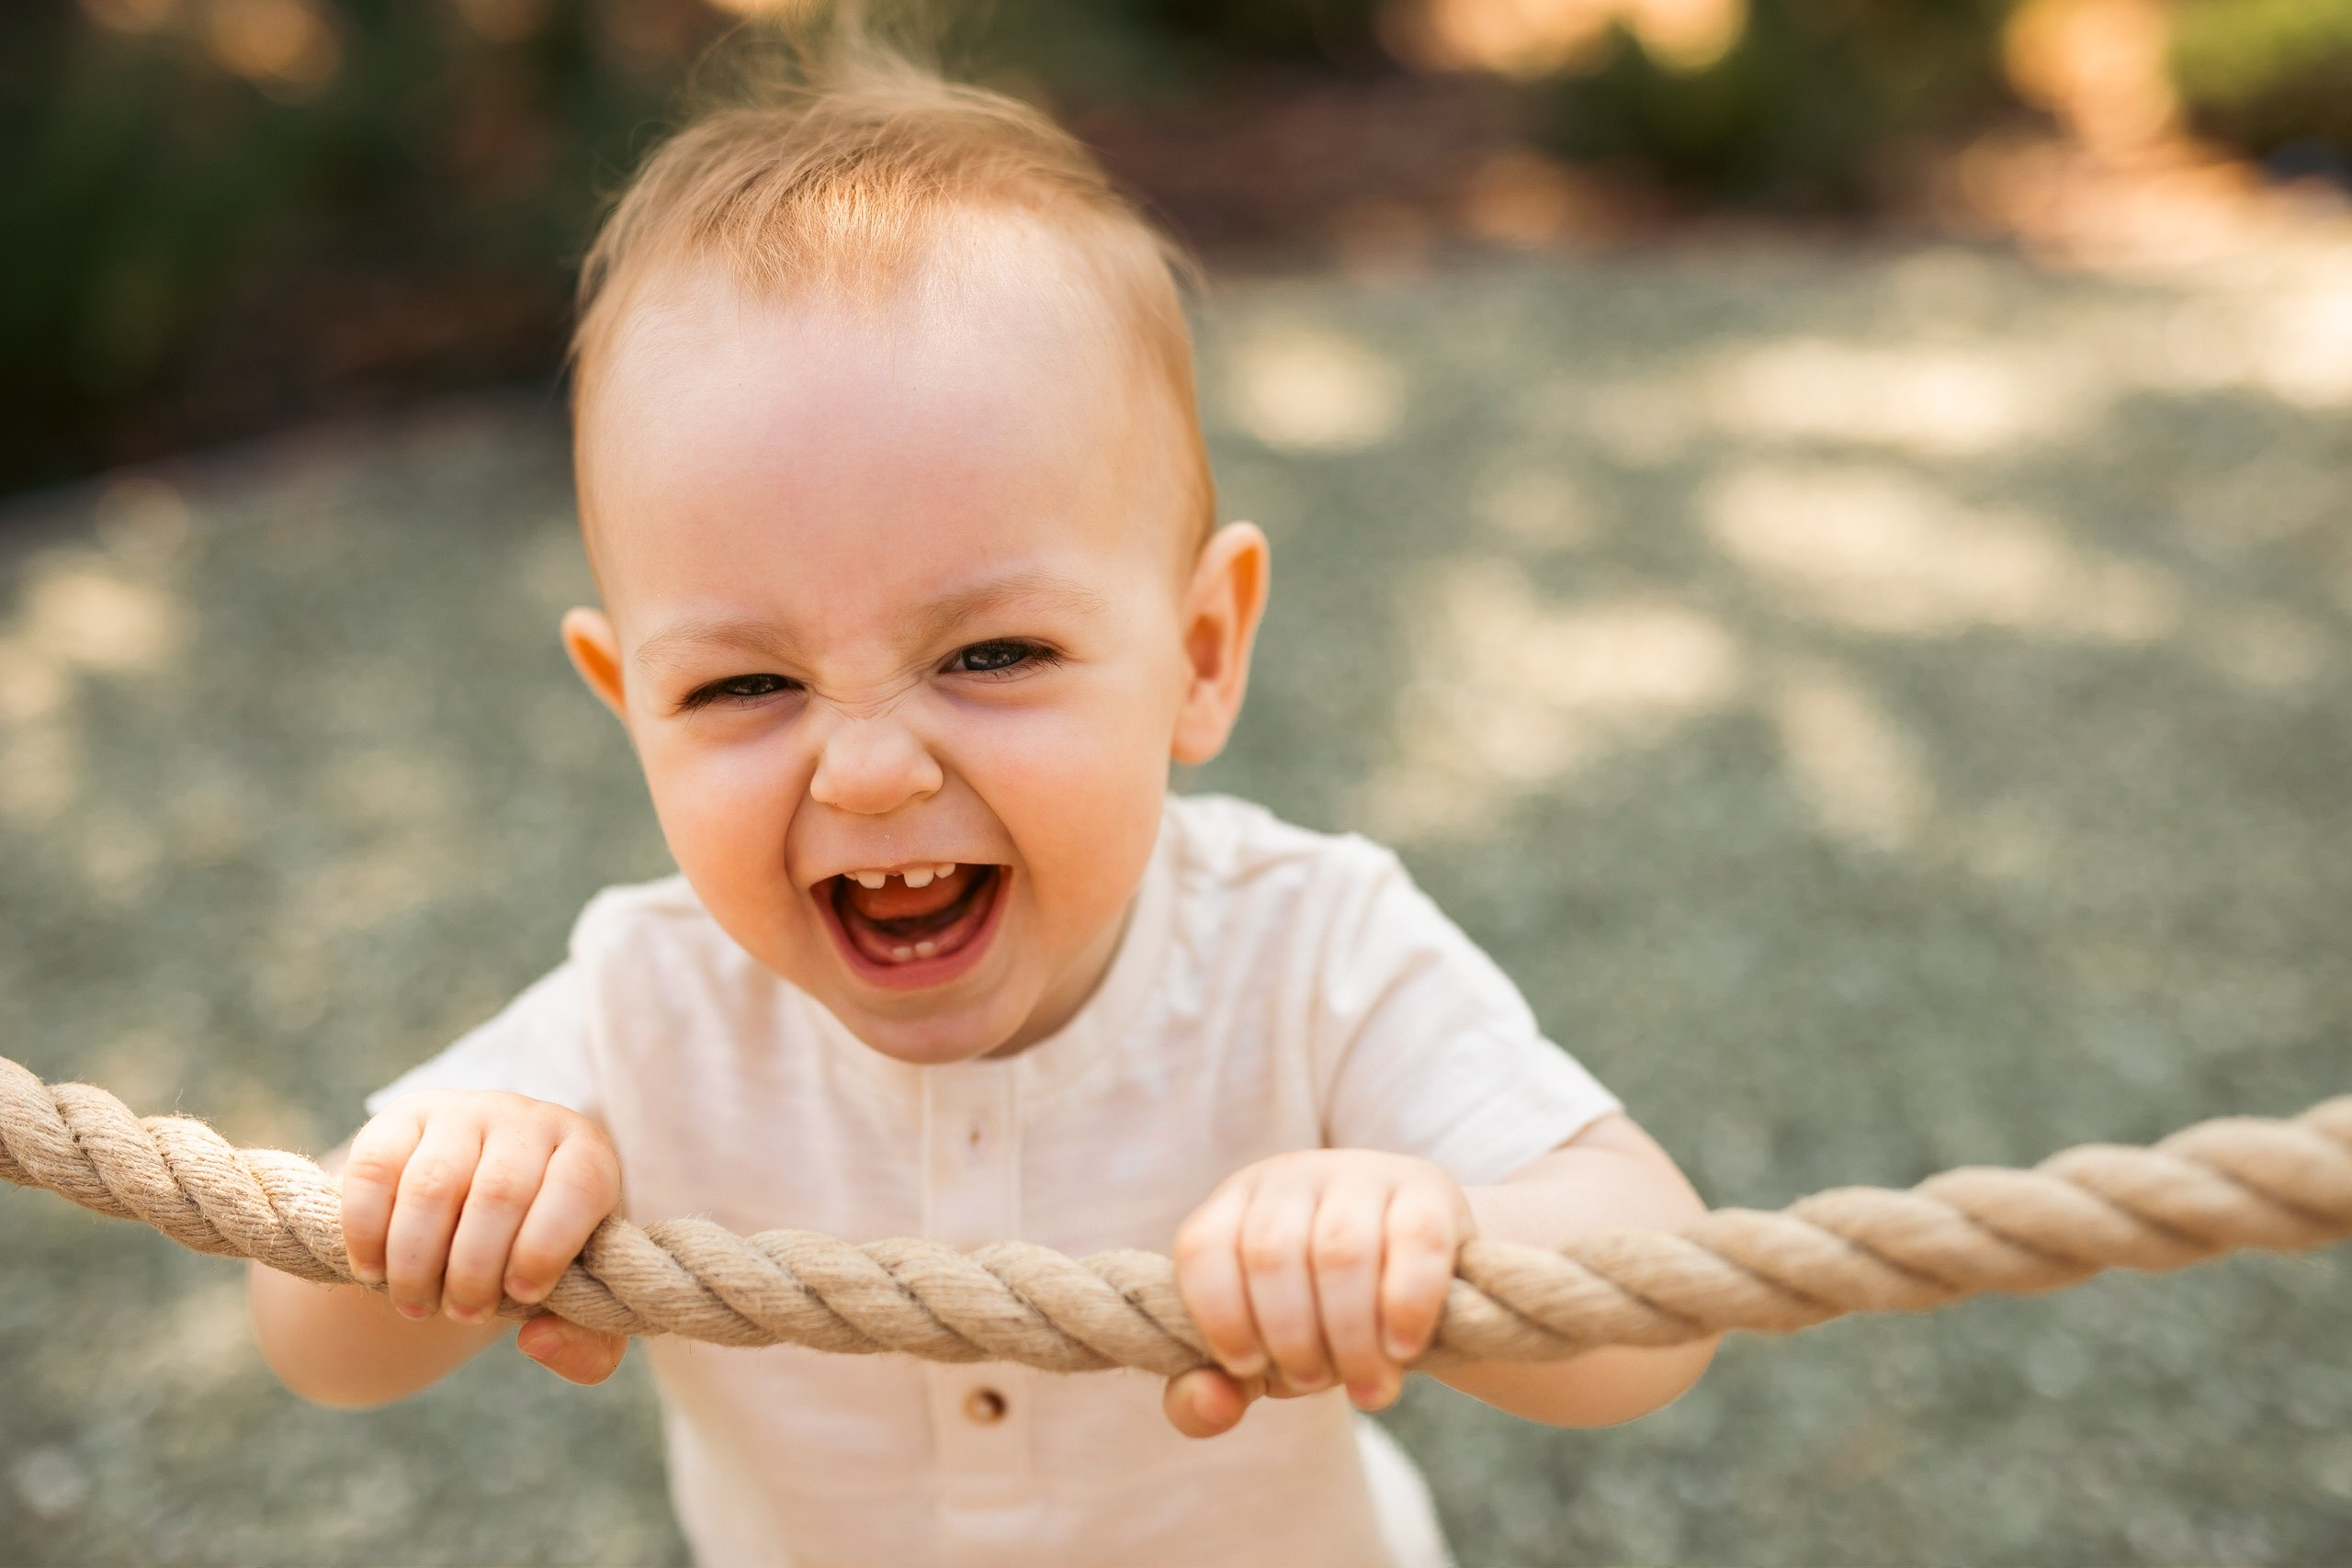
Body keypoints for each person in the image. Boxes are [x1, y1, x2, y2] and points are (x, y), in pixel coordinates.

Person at [244, 30, 1715, 1568]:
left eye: (994, 652)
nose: (871, 771)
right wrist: (445, 1193)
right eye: (742, 686)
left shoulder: (1307, 952)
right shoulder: (642, 1007)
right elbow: (312, 1345)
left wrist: (1436, 1238)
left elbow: (1656, 1293)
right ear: (632, 712)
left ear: (1200, 655)